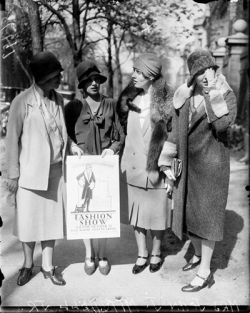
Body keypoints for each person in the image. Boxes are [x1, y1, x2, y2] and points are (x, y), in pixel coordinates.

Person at [160, 49, 237, 291]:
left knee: (208, 221)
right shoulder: (184, 96)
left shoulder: (225, 94)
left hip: (212, 167)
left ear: (216, 70)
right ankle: (195, 254)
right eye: (199, 72)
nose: (205, 76)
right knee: (188, 215)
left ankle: (205, 272)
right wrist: (166, 161)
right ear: (192, 75)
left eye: (209, 70)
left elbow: (223, 124)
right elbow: (173, 131)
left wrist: (212, 91)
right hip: (186, 165)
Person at [5, 51, 82, 286]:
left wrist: (73, 146)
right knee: (28, 224)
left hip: (55, 172)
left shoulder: (58, 99)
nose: (59, 79)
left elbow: (60, 131)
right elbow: (11, 141)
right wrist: (13, 176)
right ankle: (28, 265)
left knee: (51, 222)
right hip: (29, 174)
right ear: (43, 77)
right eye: (56, 76)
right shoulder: (22, 102)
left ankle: (48, 267)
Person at [64, 60, 125, 276]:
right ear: (81, 84)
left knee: (105, 210)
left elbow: (120, 134)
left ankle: (103, 253)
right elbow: (66, 136)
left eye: (97, 80)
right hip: (82, 167)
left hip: (105, 165)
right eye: (88, 80)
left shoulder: (111, 104)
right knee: (86, 211)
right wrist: (72, 146)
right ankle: (89, 253)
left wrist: (114, 148)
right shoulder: (72, 107)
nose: (93, 83)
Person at [118, 53, 174, 274]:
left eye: (138, 71)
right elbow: (127, 136)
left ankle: (156, 253)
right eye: (134, 70)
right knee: (137, 214)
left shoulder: (165, 101)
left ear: (150, 75)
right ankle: (141, 253)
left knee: (157, 214)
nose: (133, 75)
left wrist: (168, 168)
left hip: (157, 167)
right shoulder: (133, 99)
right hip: (132, 166)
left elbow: (171, 136)